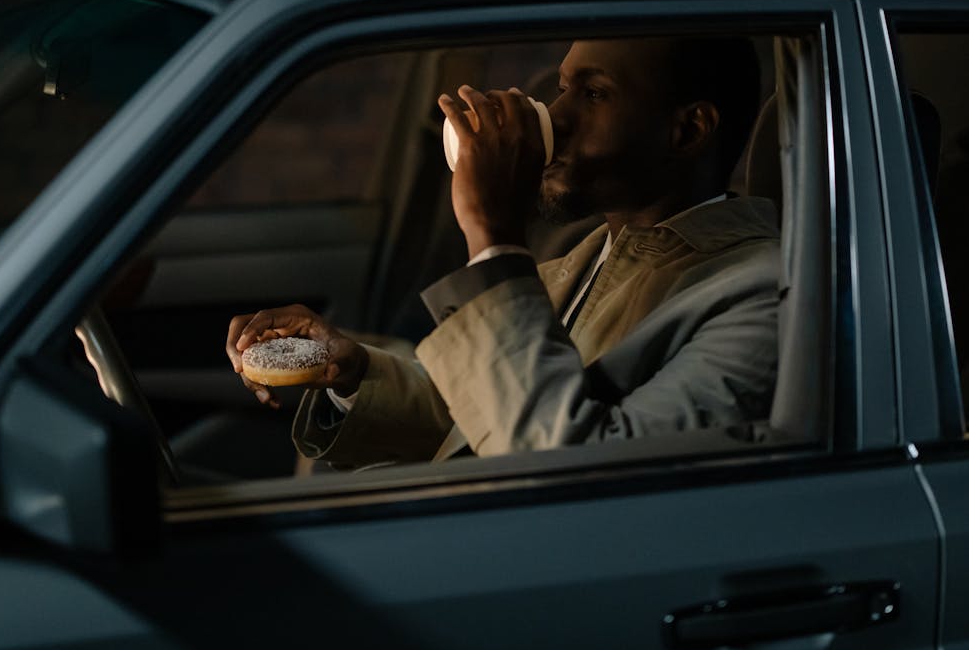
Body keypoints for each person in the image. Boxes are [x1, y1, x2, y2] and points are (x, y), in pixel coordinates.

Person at [227, 36, 779, 469]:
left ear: (687, 131)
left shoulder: (766, 298)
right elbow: (486, 416)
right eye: (562, 90)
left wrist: (492, 233)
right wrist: (353, 370)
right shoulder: (589, 258)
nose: (556, 117)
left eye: (593, 93)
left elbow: (571, 470)